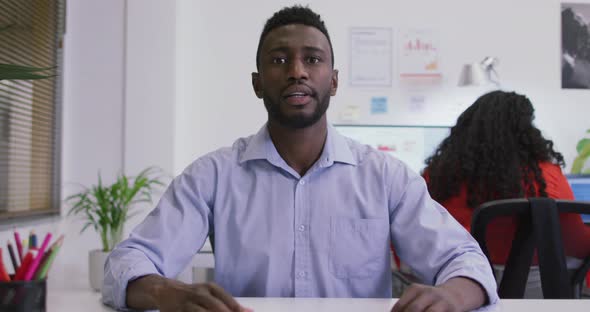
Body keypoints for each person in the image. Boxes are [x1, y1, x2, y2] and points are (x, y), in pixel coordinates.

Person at [102, 5, 498, 312]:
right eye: (278, 60)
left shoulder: (385, 177)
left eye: (312, 59)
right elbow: (126, 261)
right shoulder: (213, 176)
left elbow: (466, 261)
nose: (296, 72)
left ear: (334, 80)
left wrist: (451, 295)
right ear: (257, 83)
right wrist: (165, 290)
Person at [423, 90, 590, 297]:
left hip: (455, 290)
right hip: (536, 292)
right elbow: (578, 244)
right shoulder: (545, 176)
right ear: (526, 129)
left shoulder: (437, 176)